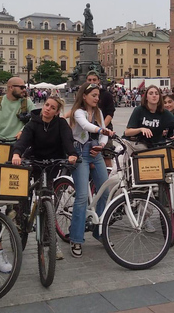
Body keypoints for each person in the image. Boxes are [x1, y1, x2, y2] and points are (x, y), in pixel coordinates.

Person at [11, 96, 78, 261]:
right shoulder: (33, 123)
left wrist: (72, 154)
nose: (48, 108)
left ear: (57, 112)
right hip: (32, 159)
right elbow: (24, 140)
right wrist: (17, 154)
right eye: (46, 105)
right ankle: (20, 221)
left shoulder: (61, 124)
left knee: (47, 199)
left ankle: (50, 243)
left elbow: (68, 141)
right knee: (22, 191)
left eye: (52, 107)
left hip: (50, 163)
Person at [68, 82, 114, 258]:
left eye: (97, 96)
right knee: (81, 197)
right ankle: (76, 239)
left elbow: (102, 134)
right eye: (93, 95)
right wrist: (103, 130)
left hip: (96, 152)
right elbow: (87, 126)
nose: (96, 98)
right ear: (84, 96)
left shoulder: (99, 112)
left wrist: (102, 145)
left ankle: (99, 231)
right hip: (80, 153)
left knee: (105, 191)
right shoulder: (78, 112)